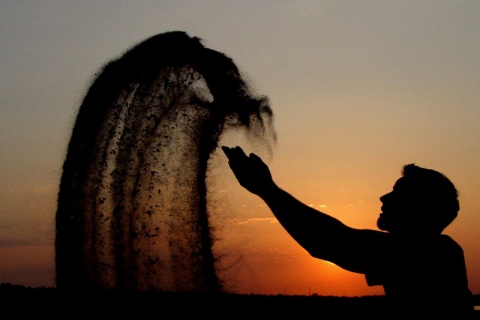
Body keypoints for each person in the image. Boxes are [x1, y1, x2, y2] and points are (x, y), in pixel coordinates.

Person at [222, 145, 476, 319]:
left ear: (419, 208)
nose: (384, 197)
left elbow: (332, 242)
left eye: (398, 194)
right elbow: (337, 241)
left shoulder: (425, 251)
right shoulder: (439, 250)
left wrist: (267, 189)